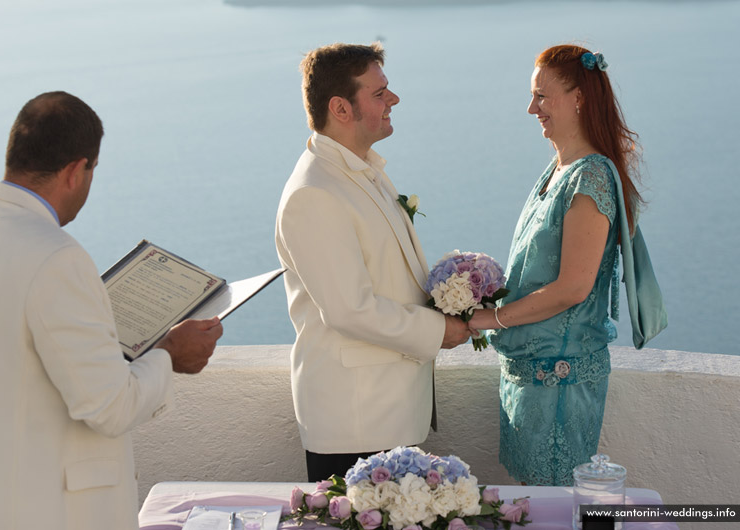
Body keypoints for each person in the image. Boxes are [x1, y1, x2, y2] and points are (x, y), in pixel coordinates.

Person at [0, 91, 223, 530]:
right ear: (76, 170)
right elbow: (109, 406)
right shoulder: (55, 257)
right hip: (50, 511)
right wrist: (169, 353)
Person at [275, 42, 471, 482]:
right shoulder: (315, 193)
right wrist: (440, 330)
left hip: (388, 414)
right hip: (356, 423)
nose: (393, 100)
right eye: (380, 93)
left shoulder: (362, 170)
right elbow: (349, 309)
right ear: (341, 108)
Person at [467, 45, 644, 485]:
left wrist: (490, 318)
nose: (532, 108)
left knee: (557, 502)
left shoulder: (590, 177)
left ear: (579, 97)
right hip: (532, 379)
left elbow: (572, 288)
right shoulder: (557, 170)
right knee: (538, 500)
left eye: (542, 96)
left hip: (559, 387)